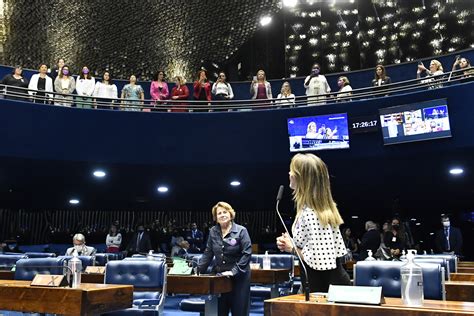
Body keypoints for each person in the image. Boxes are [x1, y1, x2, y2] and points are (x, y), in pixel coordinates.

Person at [276, 153, 350, 293]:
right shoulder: (310, 208)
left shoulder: (312, 213)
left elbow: (319, 260)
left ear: (301, 178)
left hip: (327, 290)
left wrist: (291, 247)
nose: (289, 173)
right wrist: (291, 243)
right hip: (321, 285)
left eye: (292, 170)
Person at [198, 201, 252, 316]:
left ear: (231, 214)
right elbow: (208, 253)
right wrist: (198, 271)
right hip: (220, 278)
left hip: (239, 278)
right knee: (220, 311)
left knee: (239, 311)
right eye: (219, 213)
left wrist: (233, 272)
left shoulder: (242, 230)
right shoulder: (213, 231)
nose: (222, 215)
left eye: (225, 212)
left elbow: (247, 254)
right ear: (216, 218)